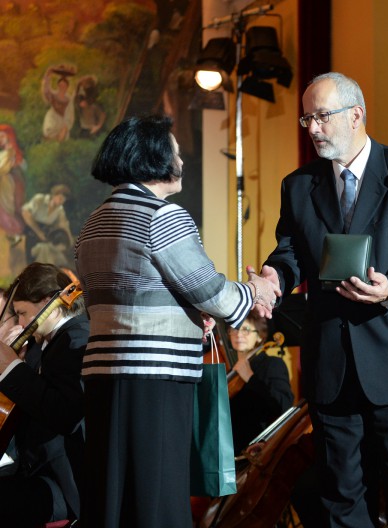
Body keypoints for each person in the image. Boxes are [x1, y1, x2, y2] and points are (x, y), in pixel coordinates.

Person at [257, 72, 388, 527]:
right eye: (306, 118)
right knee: (341, 505)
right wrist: (273, 277)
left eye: (321, 116)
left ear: (356, 114)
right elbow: (290, 253)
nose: (311, 127)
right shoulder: (298, 185)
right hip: (332, 364)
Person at [74, 114, 279, 528]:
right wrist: (256, 292)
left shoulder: (94, 221)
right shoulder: (163, 215)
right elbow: (209, 291)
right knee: (158, 500)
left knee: (113, 500)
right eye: (176, 151)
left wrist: (187, 314)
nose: (181, 160)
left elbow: (118, 296)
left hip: (102, 375)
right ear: (153, 156)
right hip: (156, 376)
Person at [0, 262, 88, 527]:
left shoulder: (77, 339)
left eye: (23, 313)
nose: (22, 323)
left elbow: (65, 415)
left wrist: (13, 369)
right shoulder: (44, 343)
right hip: (33, 469)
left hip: (63, 481)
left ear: (49, 301)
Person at [227, 312, 294, 454]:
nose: (238, 334)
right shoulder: (231, 373)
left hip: (256, 450)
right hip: (229, 449)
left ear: (260, 335)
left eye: (245, 329)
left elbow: (284, 407)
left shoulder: (271, 364)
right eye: (234, 329)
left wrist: (250, 378)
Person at [21, 183, 75, 266]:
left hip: (45, 237)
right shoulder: (39, 200)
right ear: (54, 195)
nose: (61, 202)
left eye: (63, 200)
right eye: (60, 198)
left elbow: (64, 225)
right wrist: (38, 232)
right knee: (43, 250)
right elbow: (25, 213)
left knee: (51, 249)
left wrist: (70, 240)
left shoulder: (60, 210)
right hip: (30, 234)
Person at [0, 125, 26, 242]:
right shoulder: (4, 151)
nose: (0, 139)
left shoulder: (10, 151)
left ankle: (15, 233)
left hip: (5, 182)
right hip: (3, 181)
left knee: (6, 208)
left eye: (2, 136)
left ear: (8, 137)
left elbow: (3, 168)